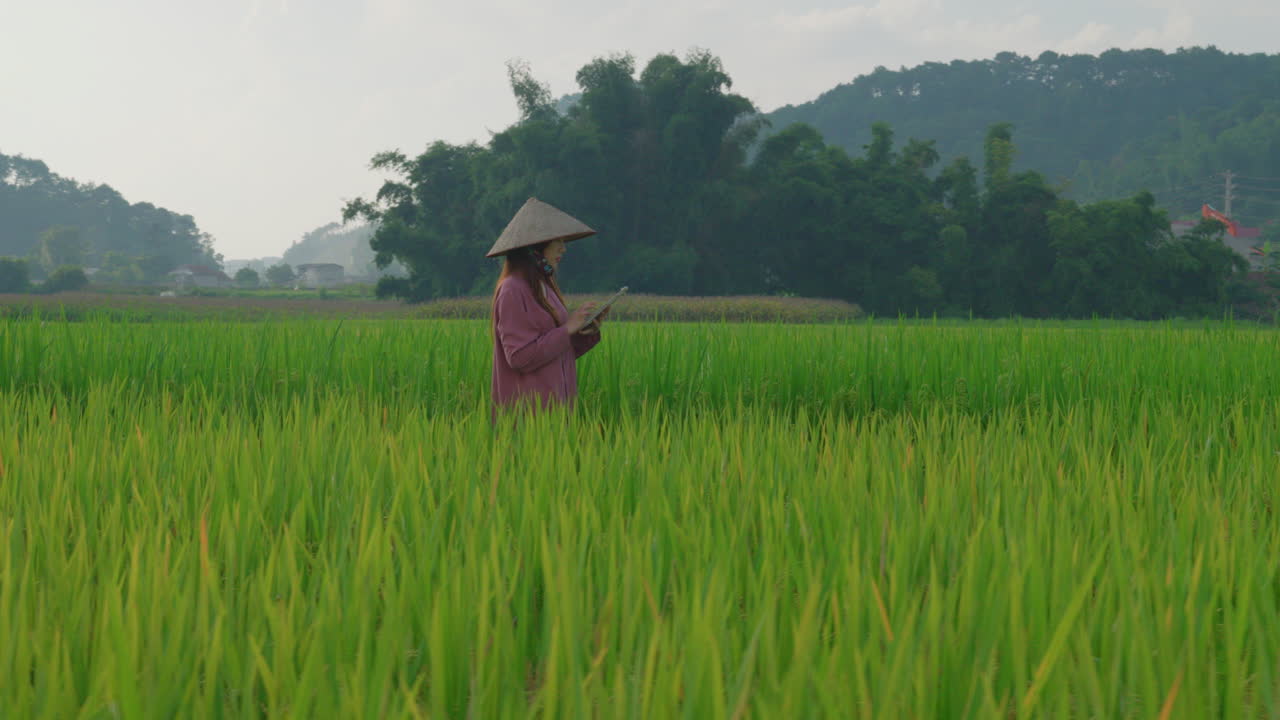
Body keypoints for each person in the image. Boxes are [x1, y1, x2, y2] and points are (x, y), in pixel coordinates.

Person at [488, 198, 610, 419]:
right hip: (527, 420)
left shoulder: (545, 289)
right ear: (535, 248)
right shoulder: (512, 290)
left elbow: (557, 352)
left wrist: (584, 330)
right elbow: (520, 357)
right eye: (558, 241)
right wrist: (566, 329)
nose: (563, 248)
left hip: (558, 415)